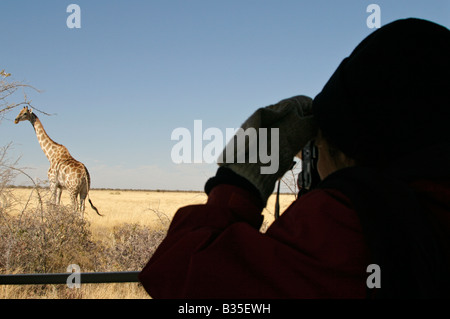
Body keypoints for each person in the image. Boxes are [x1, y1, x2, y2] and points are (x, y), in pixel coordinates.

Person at [139, 18, 450, 298]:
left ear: (345, 148)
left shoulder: (358, 220)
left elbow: (177, 276)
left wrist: (238, 182)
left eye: (316, 144)